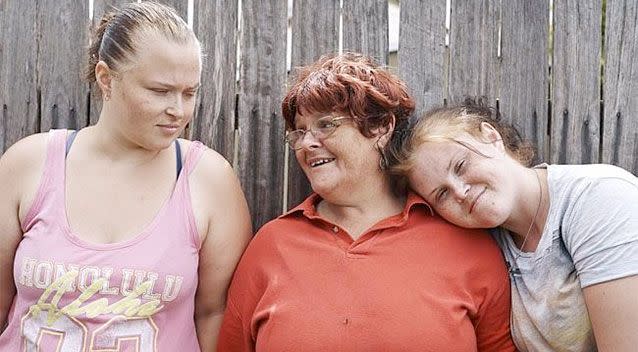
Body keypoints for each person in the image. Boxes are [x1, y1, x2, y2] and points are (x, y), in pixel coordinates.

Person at [216, 53, 515, 351]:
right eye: (300, 131)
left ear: (382, 127)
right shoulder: (271, 247)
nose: (307, 143)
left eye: (326, 124)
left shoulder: (468, 247)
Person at [0, 2, 252, 351]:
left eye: (189, 93)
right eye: (159, 91)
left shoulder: (208, 179)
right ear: (106, 79)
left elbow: (214, 313)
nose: (177, 110)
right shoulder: (28, 164)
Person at [389, 100, 638, 351]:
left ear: (491, 137)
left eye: (461, 166)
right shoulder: (488, 245)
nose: (460, 191)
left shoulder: (599, 198)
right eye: (442, 194)